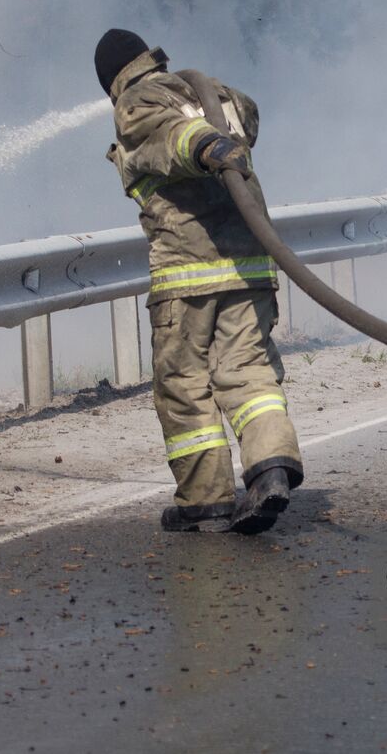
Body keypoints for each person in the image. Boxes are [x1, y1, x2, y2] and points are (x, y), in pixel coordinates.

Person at [95, 28, 304, 535]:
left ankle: (204, 500)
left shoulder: (136, 101)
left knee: (184, 386)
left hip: (188, 272)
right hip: (251, 262)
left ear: (110, 80)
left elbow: (171, 140)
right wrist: (214, 129)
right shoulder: (210, 91)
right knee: (249, 374)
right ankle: (270, 469)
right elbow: (247, 116)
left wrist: (206, 144)